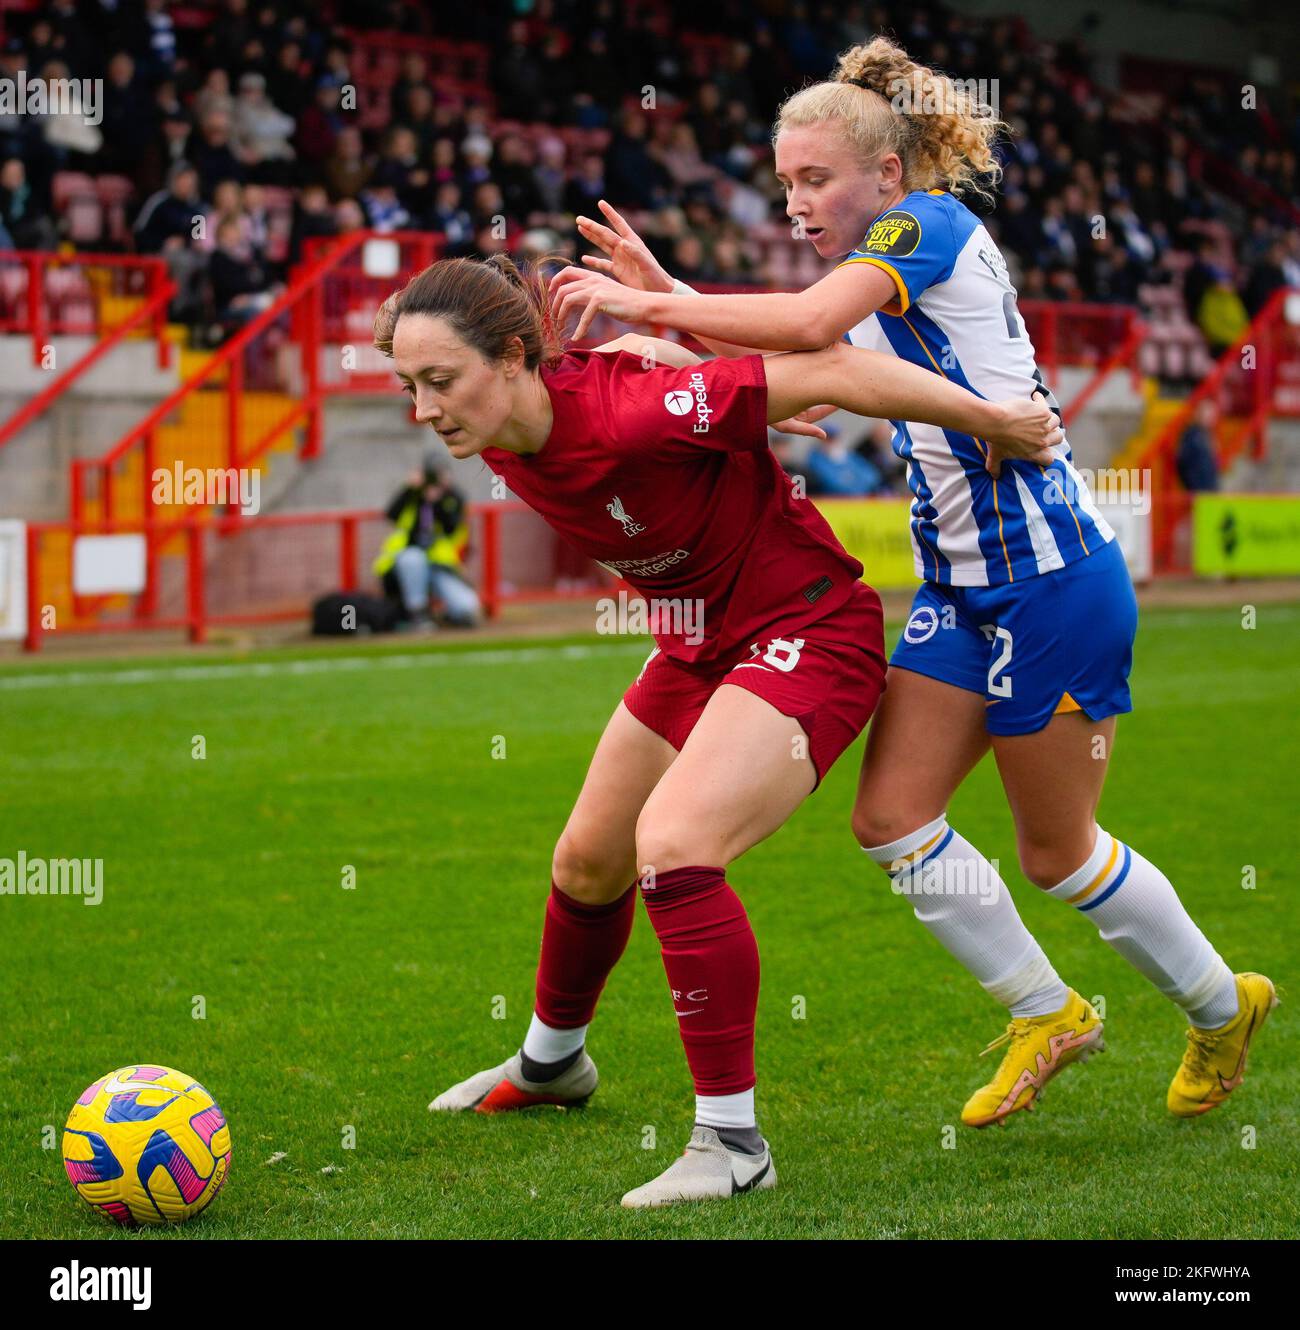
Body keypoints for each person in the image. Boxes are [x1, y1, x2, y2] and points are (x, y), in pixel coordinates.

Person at [549, 34, 1276, 1130]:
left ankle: (1223, 1006)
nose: (795, 201)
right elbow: (803, 356)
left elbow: (802, 330)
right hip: (958, 586)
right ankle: (1048, 1011)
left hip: (1050, 583)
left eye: (815, 179)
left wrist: (656, 309)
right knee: (890, 818)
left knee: (1054, 851)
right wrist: (682, 298)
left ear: (886, 176)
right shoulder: (886, 263)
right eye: (784, 181)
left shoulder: (924, 226)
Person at [380, 254, 1058, 1207]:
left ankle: (732, 1142)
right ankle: (551, 1064)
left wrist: (999, 419)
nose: (424, 409)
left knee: (677, 847)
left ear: (511, 357)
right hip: (699, 645)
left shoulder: (628, 409)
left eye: (439, 382)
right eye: (409, 386)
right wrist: (681, 345)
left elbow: (827, 365)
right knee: (587, 863)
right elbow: (671, 385)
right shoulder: (506, 422)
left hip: (809, 630)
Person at [374, 455, 481, 629]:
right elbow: (391, 514)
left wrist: (439, 500)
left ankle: (449, 615)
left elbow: (451, 527)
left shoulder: (451, 498)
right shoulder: (413, 495)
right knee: (414, 558)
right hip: (406, 562)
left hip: (438, 565)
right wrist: (410, 488)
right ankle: (417, 612)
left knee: (466, 607)